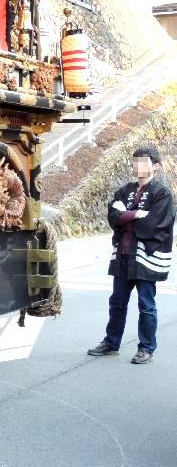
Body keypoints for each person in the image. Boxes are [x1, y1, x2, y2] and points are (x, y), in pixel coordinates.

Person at [87, 146, 175, 364]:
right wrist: (136, 214)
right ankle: (111, 342)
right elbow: (112, 217)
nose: (138, 165)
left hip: (145, 257)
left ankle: (146, 348)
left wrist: (125, 216)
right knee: (116, 302)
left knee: (146, 304)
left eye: (143, 161)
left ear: (155, 166)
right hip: (123, 255)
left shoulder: (162, 193)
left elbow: (156, 223)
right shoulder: (124, 190)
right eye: (135, 161)